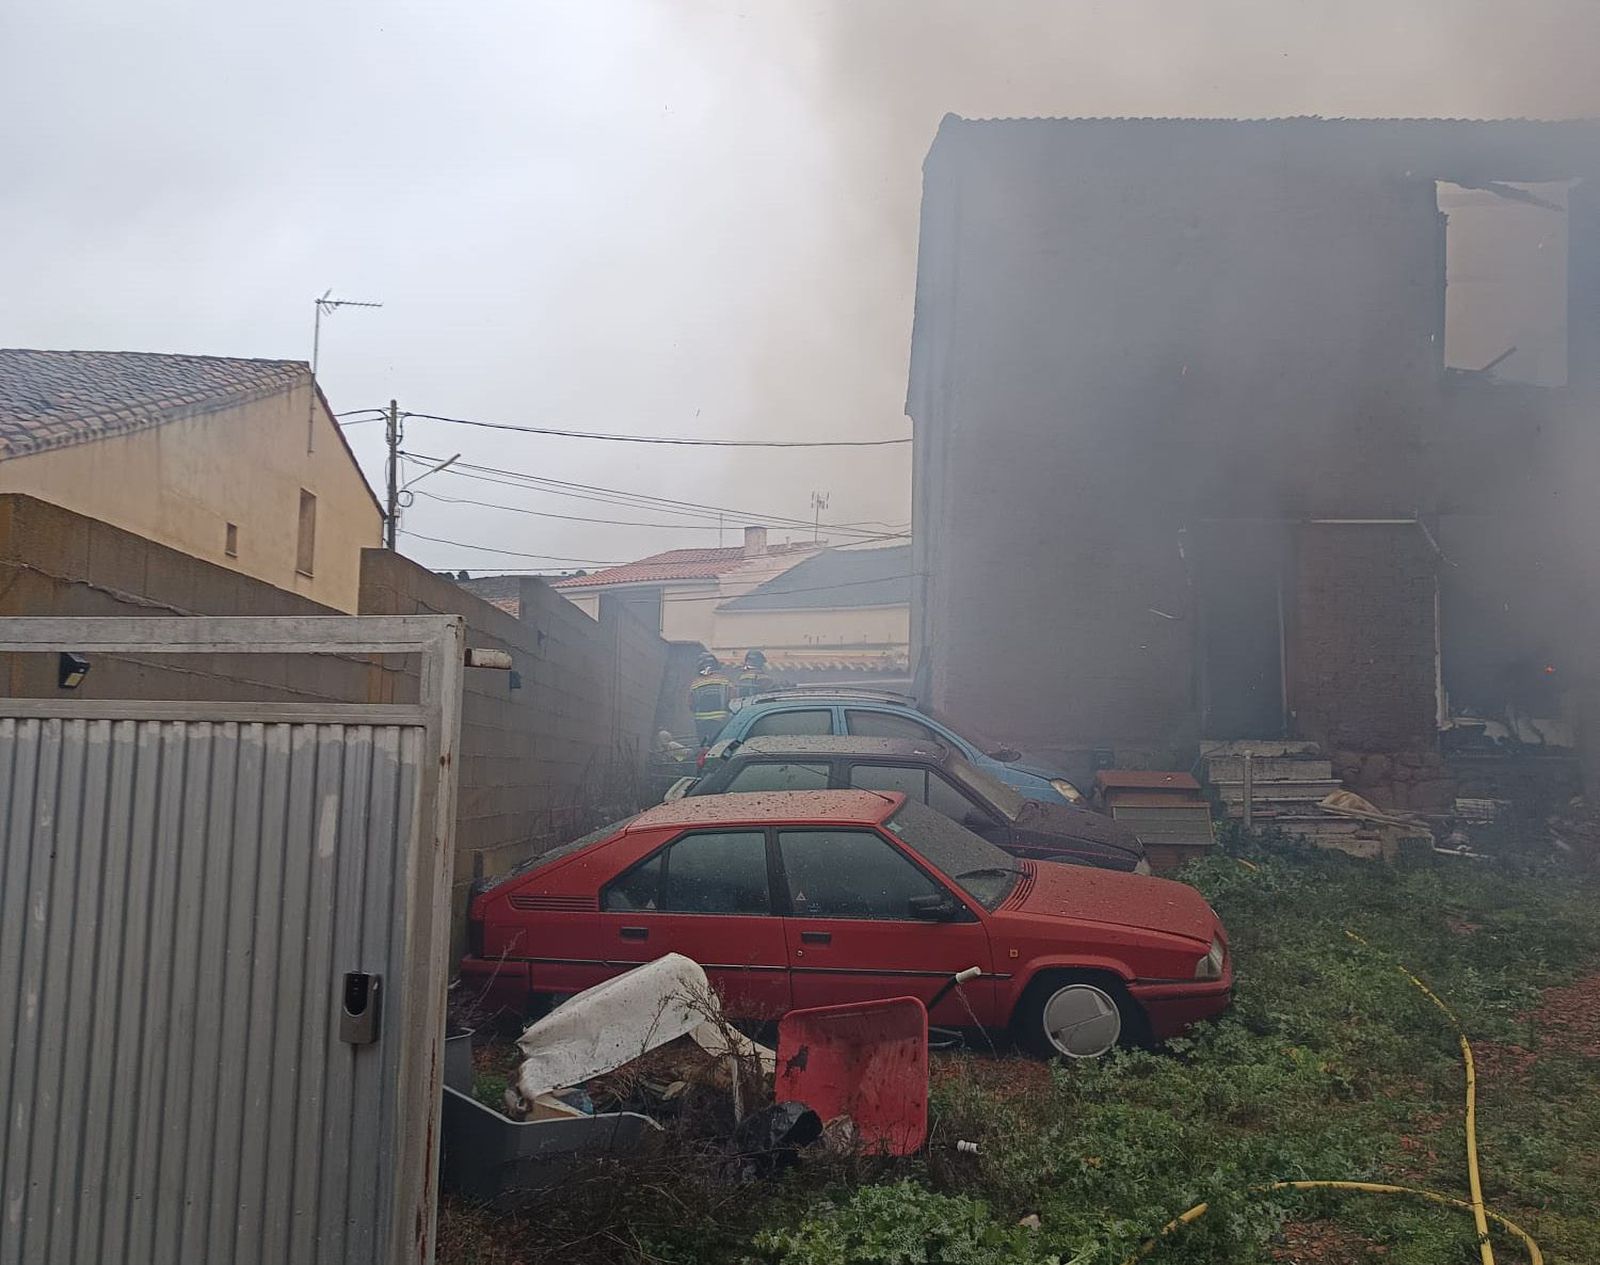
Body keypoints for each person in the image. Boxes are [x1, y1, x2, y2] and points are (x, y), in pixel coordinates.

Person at [689, 653, 736, 745]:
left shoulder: (695, 683)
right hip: (721, 719)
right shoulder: (725, 680)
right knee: (719, 746)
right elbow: (733, 699)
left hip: (701, 721)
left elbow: (690, 704)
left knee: (704, 747)